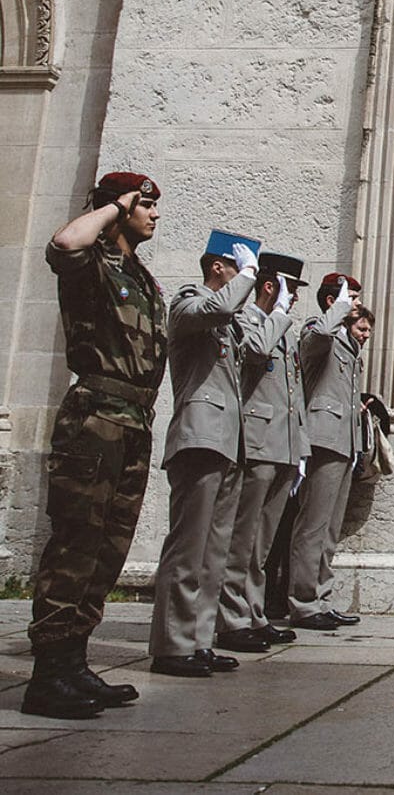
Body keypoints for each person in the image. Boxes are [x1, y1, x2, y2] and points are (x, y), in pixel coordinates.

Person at [22, 173, 167, 719]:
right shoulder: (92, 264)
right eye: (146, 205)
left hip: (133, 422)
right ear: (120, 206)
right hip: (94, 420)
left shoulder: (140, 276)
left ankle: (74, 663)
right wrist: (113, 206)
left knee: (108, 549)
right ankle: (48, 674)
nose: (154, 214)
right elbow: (63, 243)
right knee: (76, 542)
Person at [149, 229, 260, 678]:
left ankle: (199, 639)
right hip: (198, 437)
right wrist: (246, 278)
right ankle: (172, 646)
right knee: (188, 548)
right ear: (219, 267)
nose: (246, 280)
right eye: (239, 269)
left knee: (214, 551)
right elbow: (217, 305)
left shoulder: (229, 322)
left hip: (228, 443)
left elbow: (257, 350)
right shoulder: (189, 301)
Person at [215, 252, 309, 652]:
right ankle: (231, 618)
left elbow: (294, 394)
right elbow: (254, 352)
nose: (295, 299)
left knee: (262, 542)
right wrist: (278, 313)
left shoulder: (280, 326)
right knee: (243, 537)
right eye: (291, 289)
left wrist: (300, 447)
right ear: (271, 285)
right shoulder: (248, 318)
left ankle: (253, 612)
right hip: (256, 441)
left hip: (283, 445)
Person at [288, 276, 369, 632]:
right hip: (323, 438)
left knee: (330, 528)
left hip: (344, 440)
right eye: (348, 297)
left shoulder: (348, 341)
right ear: (330, 300)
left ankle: (320, 597)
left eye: (354, 297)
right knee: (313, 525)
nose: (353, 302)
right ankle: (303, 603)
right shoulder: (320, 331)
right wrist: (336, 307)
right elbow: (315, 340)